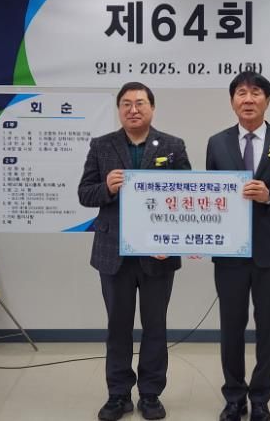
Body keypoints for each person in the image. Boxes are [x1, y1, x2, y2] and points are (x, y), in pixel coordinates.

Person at [78, 82, 191, 421]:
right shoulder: (102, 146)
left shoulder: (172, 146)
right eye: (126, 103)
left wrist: (172, 241)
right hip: (113, 253)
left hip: (158, 253)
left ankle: (151, 394)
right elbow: (85, 193)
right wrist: (106, 188)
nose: (133, 109)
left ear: (152, 108)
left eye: (140, 103)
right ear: (119, 110)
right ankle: (118, 394)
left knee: (155, 326)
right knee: (118, 326)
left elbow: (186, 196)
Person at [206, 71, 270, 421]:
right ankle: (234, 397)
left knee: (268, 328)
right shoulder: (217, 143)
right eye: (241, 93)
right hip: (230, 252)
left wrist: (269, 196)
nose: (248, 99)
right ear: (232, 101)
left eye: (255, 93)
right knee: (231, 327)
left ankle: (261, 398)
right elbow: (210, 196)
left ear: (267, 99)